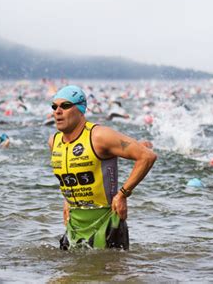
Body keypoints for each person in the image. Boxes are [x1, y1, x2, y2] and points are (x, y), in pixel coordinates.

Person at [48, 85, 156, 251]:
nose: (58, 111)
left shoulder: (99, 136)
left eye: (66, 106)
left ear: (81, 109)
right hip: (75, 221)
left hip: (107, 220)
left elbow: (146, 156)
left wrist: (123, 194)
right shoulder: (54, 141)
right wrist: (66, 201)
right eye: (54, 107)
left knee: (109, 275)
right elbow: (69, 176)